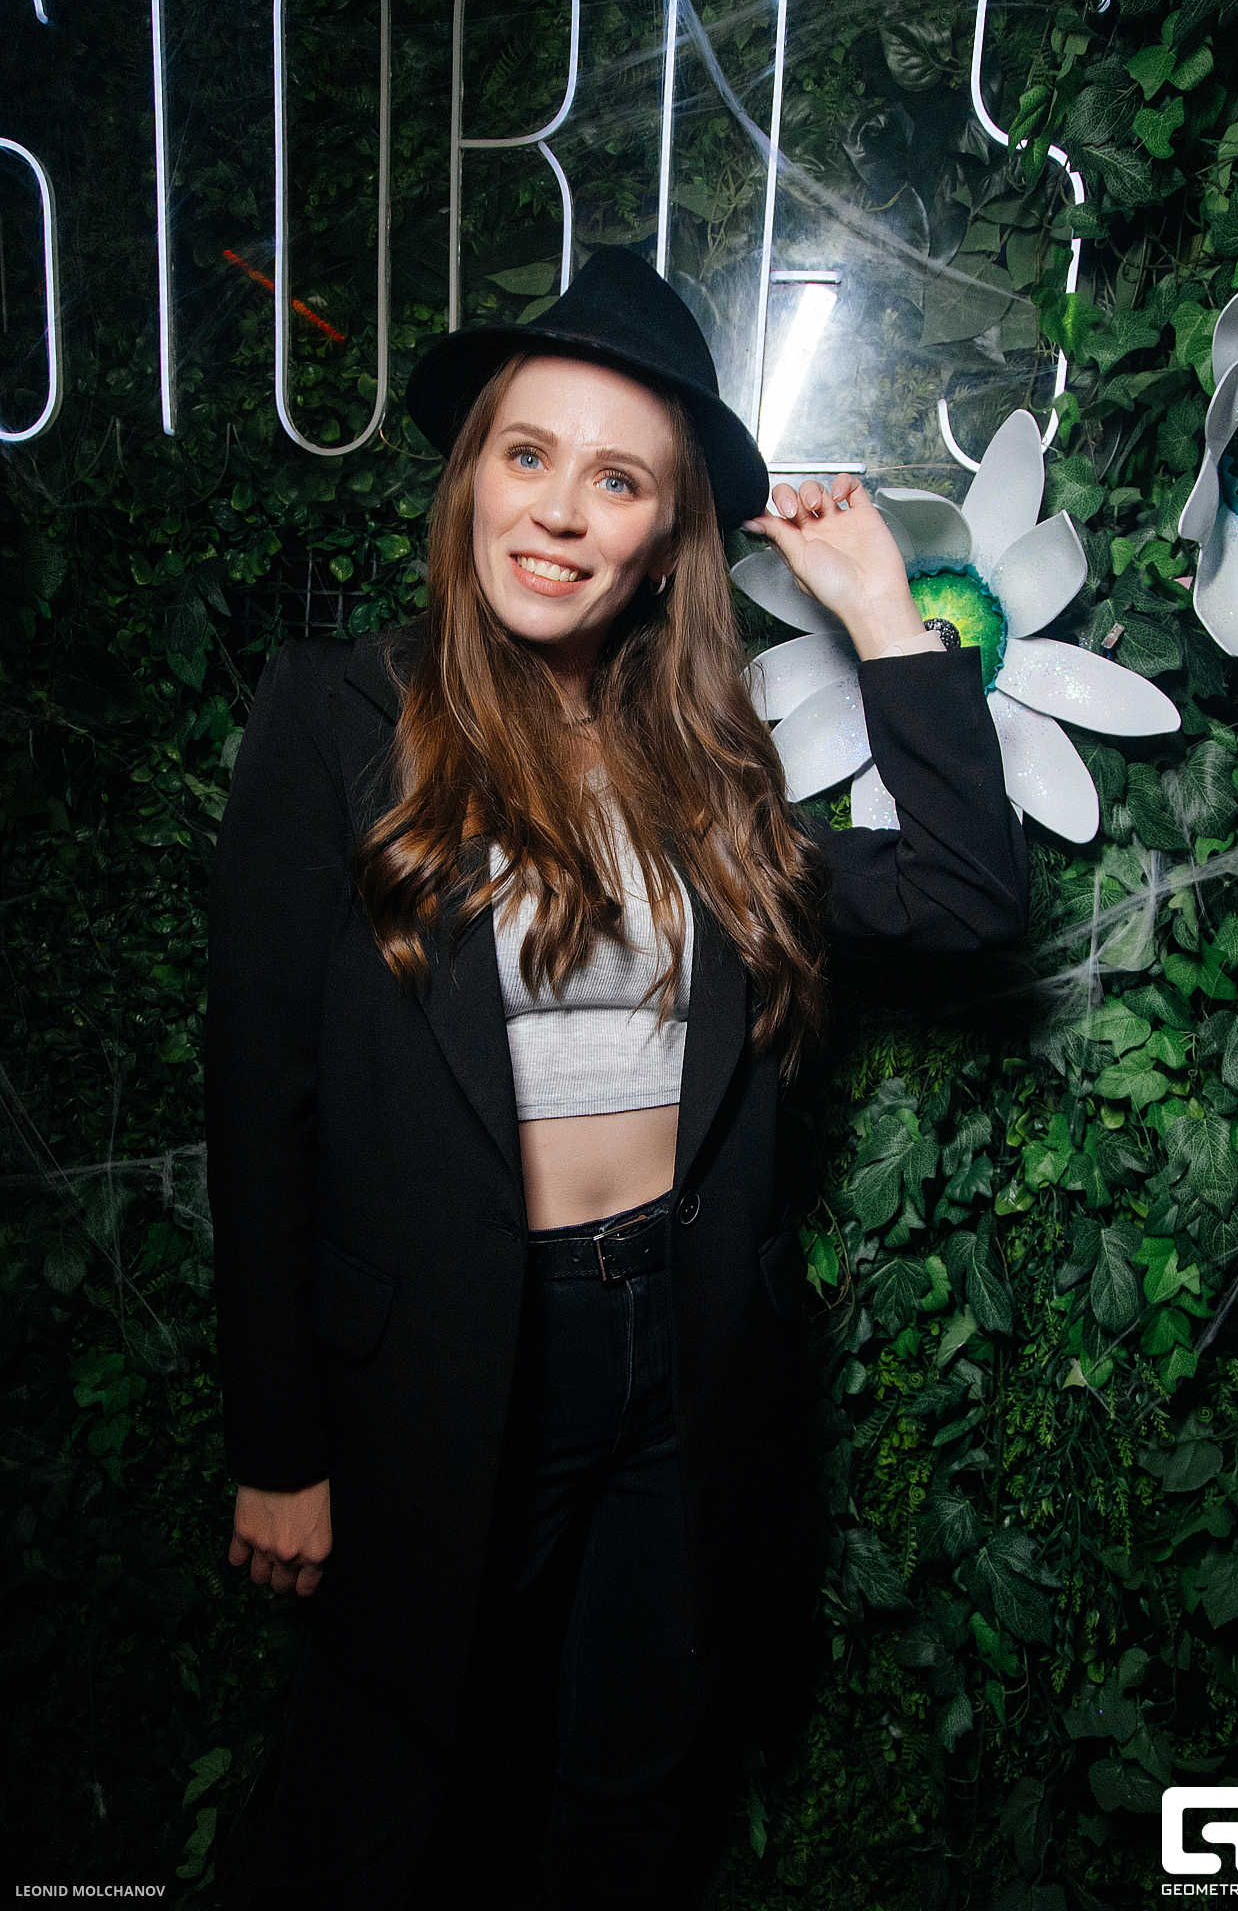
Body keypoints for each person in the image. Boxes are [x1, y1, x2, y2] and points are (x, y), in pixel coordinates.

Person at [205, 247, 1028, 1910]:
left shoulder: (705, 764)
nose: (562, 512)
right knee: (381, 1802)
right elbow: (258, 1098)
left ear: (666, 541)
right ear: (471, 477)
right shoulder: (339, 717)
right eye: (529, 454)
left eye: (620, 480)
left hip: (683, 1341)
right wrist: (280, 1443)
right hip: (446, 1348)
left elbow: (964, 895)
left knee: (630, 1790)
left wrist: (882, 611)